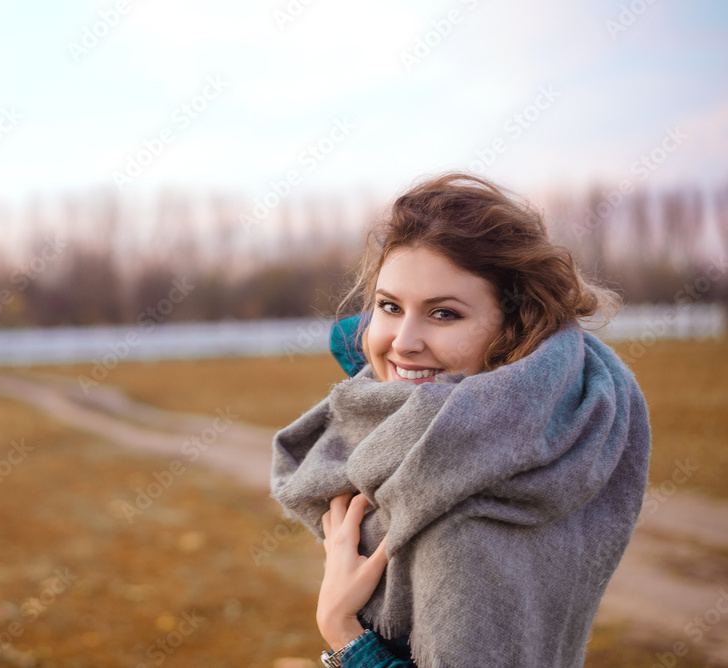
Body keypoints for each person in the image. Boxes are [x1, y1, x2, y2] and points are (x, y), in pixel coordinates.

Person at [269, 173, 652, 667]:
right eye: (389, 305)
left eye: (444, 314)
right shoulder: (551, 405)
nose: (402, 341)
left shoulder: (458, 530)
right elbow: (363, 340)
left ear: (514, 328)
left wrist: (344, 635)